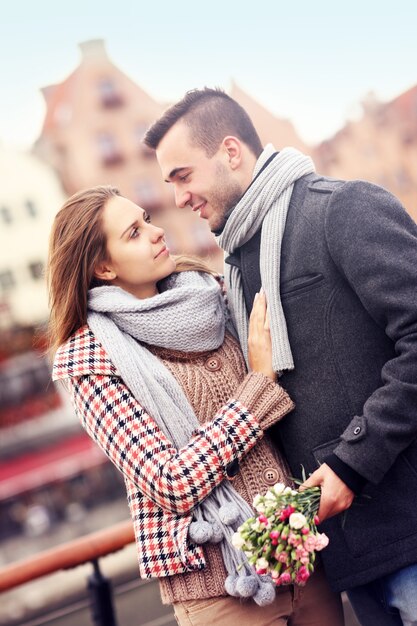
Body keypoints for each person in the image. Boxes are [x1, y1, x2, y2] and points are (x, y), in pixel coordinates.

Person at [144, 87, 417, 626]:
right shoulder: (238, 265)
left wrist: (351, 464)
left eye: (182, 175)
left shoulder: (342, 209)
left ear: (229, 151)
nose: (177, 198)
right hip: (347, 557)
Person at [47, 186, 344, 626]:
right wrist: (258, 387)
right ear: (103, 266)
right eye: (134, 232)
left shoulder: (210, 294)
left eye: (146, 219)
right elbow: (171, 482)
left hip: (296, 549)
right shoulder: (88, 360)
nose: (155, 231)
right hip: (218, 584)